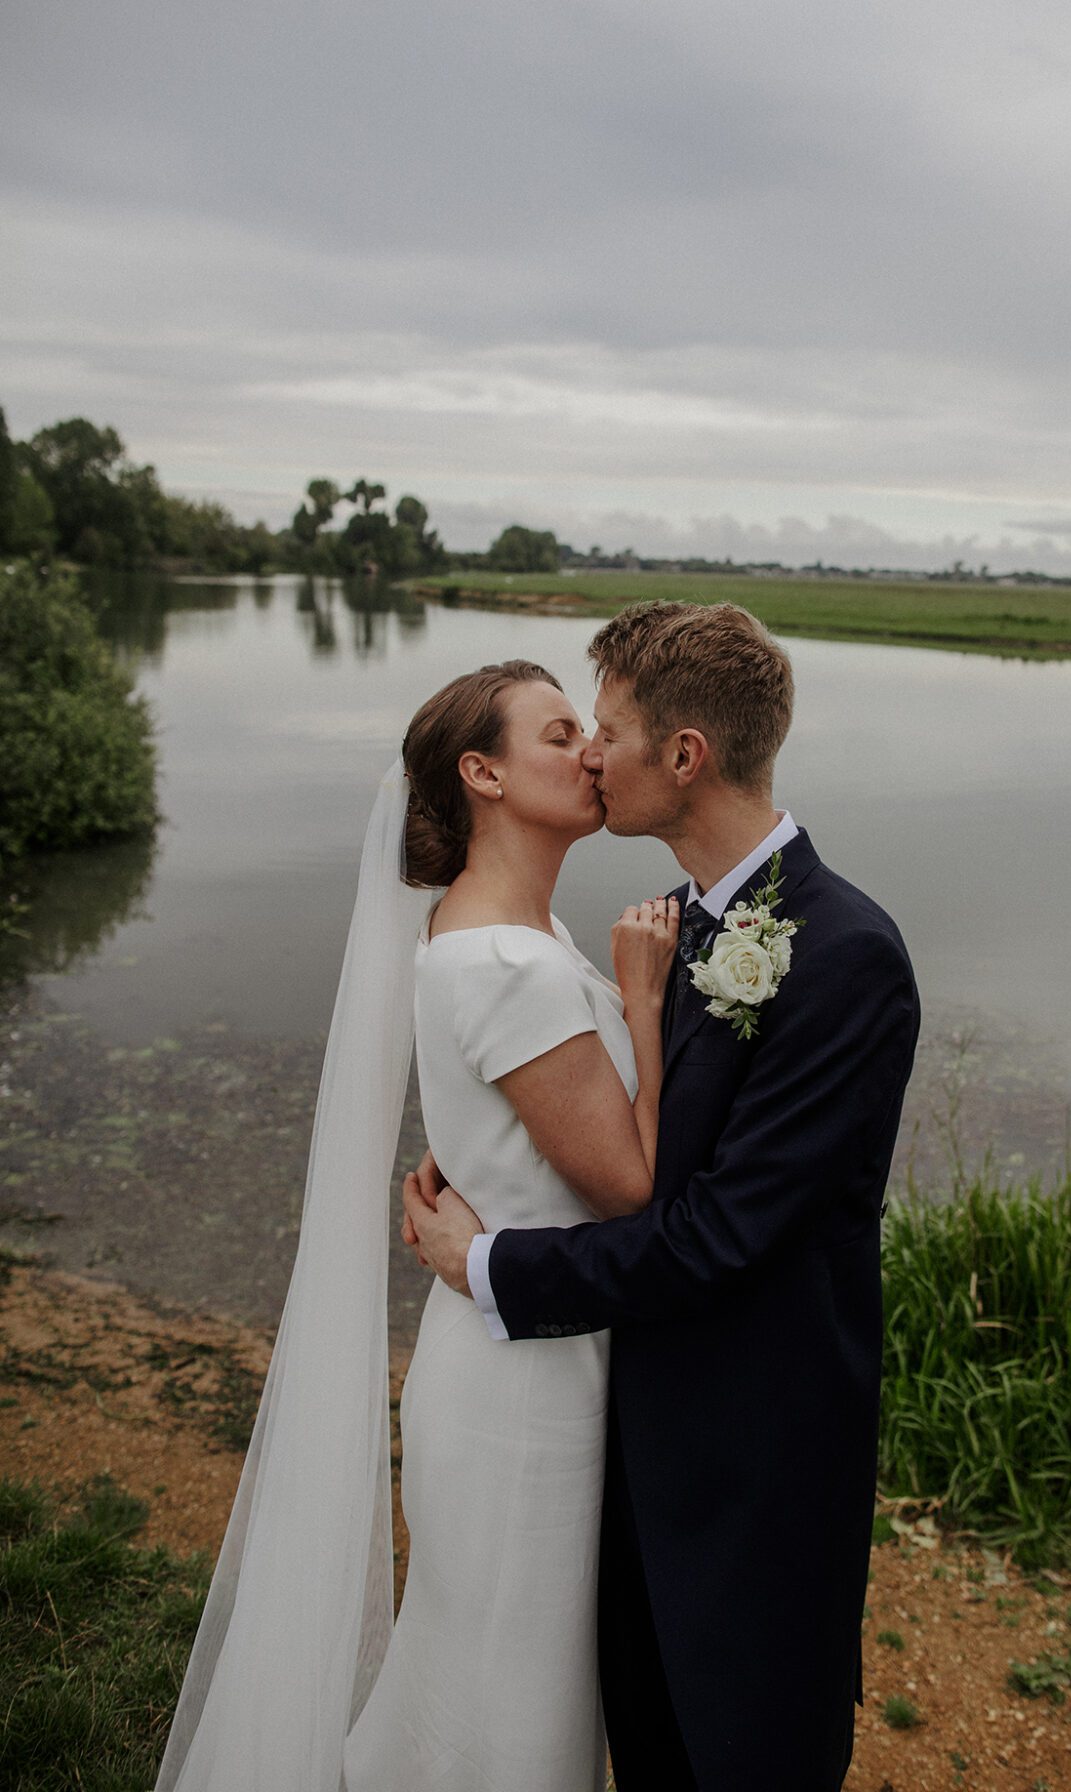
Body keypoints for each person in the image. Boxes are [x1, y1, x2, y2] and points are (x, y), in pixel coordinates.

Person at [404, 599, 921, 1792]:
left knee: (740, 1756)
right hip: (623, 1445)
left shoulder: (843, 954)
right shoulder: (678, 928)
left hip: (750, 1468)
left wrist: (488, 1262)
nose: (591, 753)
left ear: (682, 756)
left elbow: (718, 1234)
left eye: (612, 730)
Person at [153, 658, 678, 1792]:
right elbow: (631, 1184)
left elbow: (520, 1128)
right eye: (556, 734)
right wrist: (644, 997)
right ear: (480, 773)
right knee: (510, 1694)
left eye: (588, 729)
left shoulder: (495, 932)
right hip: (526, 1392)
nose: (589, 750)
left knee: (488, 1674)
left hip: (516, 1346)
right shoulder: (504, 957)